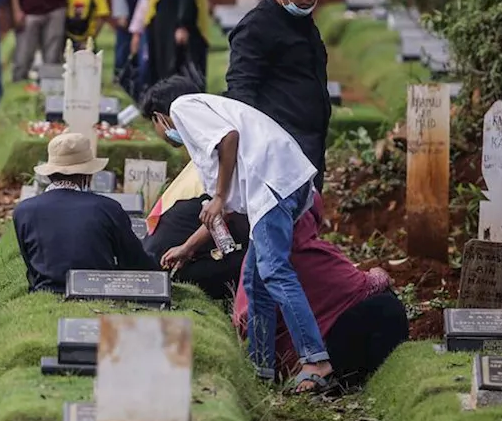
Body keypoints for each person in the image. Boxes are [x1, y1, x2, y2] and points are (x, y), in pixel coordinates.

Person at [142, 74, 332, 392]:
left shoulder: (182, 107)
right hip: (281, 186)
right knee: (255, 283)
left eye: (156, 127)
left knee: (275, 272)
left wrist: (216, 197)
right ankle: (260, 368)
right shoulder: (207, 127)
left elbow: (229, 138)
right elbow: (227, 210)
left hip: (273, 186)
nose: (163, 134)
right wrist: (189, 247)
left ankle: (316, 361)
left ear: (159, 118)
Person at [231, 193, 405, 388]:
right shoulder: (303, 251)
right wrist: (379, 273)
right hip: (296, 359)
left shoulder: (260, 248)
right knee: (386, 306)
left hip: (268, 356)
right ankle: (339, 378)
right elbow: (360, 286)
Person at [224, 0, 330, 189]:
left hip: (309, 149)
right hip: (277, 158)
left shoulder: (302, 23)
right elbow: (241, 92)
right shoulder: (256, 28)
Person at [13, 133, 157, 293]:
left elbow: (31, 265)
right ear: (88, 175)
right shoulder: (107, 208)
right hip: (97, 291)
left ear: (48, 173)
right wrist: (159, 264)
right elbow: (134, 261)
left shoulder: (23, 210)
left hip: (46, 290)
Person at [144, 165, 249, 300]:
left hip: (161, 256)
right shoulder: (226, 180)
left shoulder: (202, 169)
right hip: (172, 264)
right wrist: (187, 247)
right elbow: (225, 213)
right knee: (254, 263)